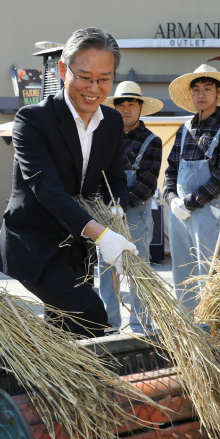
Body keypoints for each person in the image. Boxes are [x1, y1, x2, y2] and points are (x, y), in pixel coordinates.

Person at [0, 27, 138, 339]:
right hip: (33, 243)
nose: (94, 88)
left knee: (65, 332)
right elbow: (47, 189)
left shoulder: (112, 122)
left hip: (77, 248)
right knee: (90, 314)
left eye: (104, 79)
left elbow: (115, 178)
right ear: (63, 69)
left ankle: (55, 385)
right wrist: (103, 235)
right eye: (85, 76)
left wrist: (116, 213)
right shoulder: (32, 120)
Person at [164, 64, 220, 312]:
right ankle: (189, 331)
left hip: (208, 213)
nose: (201, 94)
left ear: (218, 92)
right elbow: (170, 170)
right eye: (196, 89)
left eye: (207, 89)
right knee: (183, 274)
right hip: (178, 213)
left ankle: (210, 333)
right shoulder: (184, 129)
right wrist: (171, 199)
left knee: (209, 275)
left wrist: (191, 201)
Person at [96, 81, 163, 331]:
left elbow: (147, 182)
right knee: (106, 272)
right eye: (121, 104)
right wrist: (104, 209)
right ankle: (110, 324)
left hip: (135, 215)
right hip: (104, 216)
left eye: (131, 104)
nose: (125, 109)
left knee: (138, 273)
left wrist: (120, 206)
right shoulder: (103, 137)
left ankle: (140, 326)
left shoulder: (151, 141)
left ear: (140, 107)